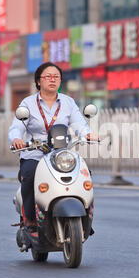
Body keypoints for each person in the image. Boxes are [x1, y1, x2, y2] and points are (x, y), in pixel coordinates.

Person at [8, 62, 98, 239]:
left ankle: (85, 218)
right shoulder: (28, 103)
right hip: (35, 153)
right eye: (47, 76)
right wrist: (17, 139)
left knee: (85, 175)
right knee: (29, 175)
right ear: (38, 81)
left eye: (56, 77)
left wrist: (88, 135)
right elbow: (17, 126)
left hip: (60, 154)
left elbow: (79, 123)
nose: (52, 80)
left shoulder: (68, 102)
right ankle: (30, 221)